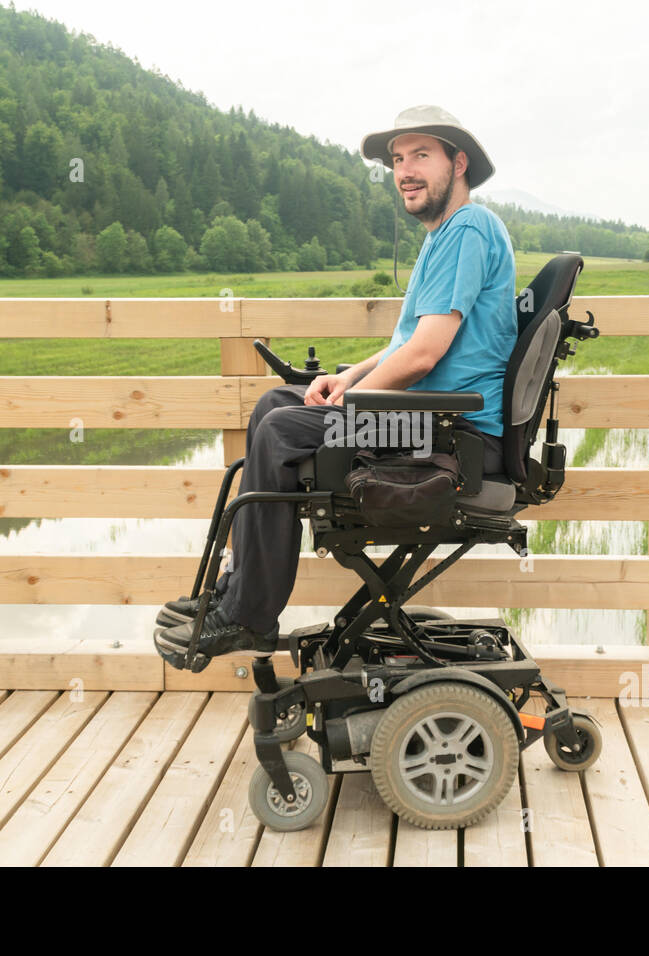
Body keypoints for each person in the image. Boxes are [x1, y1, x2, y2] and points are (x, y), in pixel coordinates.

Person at [155, 105, 517, 670]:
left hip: (452, 431)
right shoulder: (447, 236)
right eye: (398, 160)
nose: (405, 171)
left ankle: (249, 613)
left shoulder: (467, 228)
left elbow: (425, 354)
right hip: (429, 419)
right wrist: (348, 377)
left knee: (278, 430)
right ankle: (236, 586)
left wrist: (353, 400)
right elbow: (408, 341)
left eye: (421, 155)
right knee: (279, 402)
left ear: (459, 162)